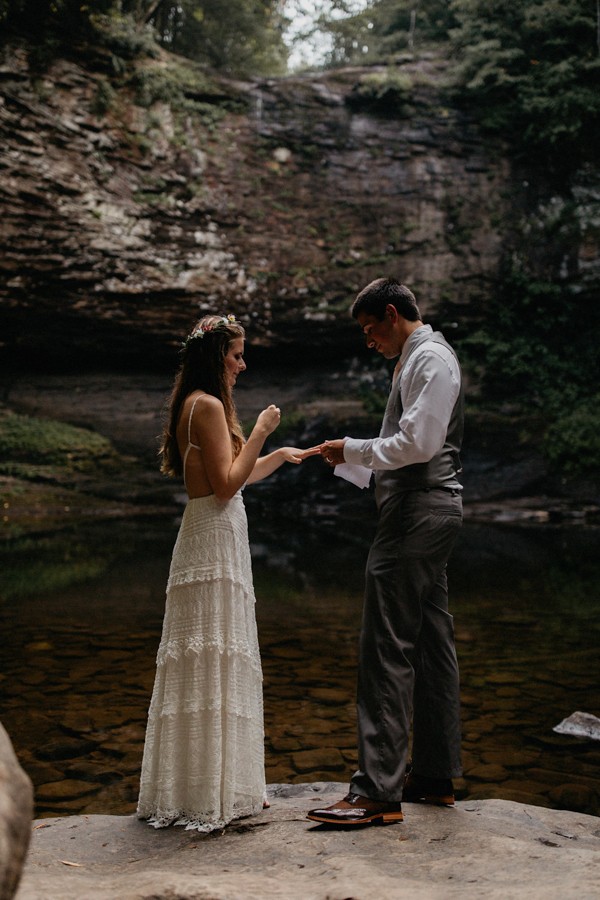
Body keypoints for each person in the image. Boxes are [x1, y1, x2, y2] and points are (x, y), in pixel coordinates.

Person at [137, 313, 313, 833]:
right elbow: (226, 485)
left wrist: (278, 454)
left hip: (210, 533)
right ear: (217, 357)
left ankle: (210, 785)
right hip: (212, 536)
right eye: (236, 354)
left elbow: (236, 475)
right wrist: (261, 429)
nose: (242, 363)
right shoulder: (208, 406)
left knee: (213, 654)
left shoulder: (196, 403)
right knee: (214, 653)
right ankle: (210, 792)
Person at [307, 278, 464, 828]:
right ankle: (434, 779)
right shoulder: (418, 360)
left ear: (393, 315)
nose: (369, 341)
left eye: (372, 330)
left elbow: (419, 445)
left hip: (415, 515)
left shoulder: (431, 360)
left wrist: (351, 448)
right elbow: (409, 444)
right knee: (429, 642)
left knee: (385, 646)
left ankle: (376, 791)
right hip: (424, 511)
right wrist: (349, 458)